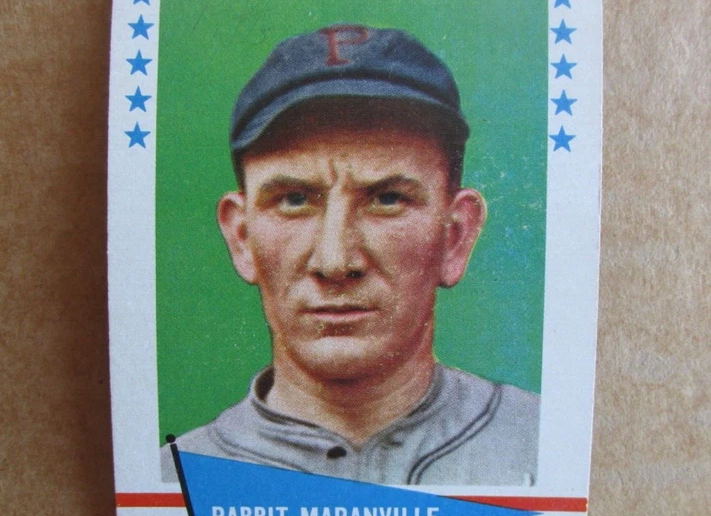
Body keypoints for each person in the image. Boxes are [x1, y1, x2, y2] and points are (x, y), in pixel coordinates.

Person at [163, 25, 539, 486]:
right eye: (294, 200)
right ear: (242, 238)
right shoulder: (171, 485)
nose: (335, 262)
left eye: (387, 199)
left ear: (455, 237)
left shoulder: (551, 450)